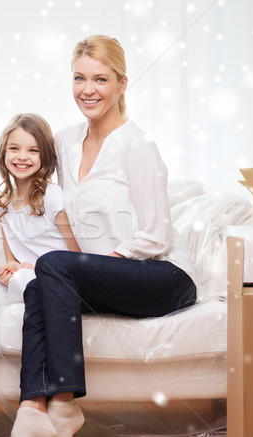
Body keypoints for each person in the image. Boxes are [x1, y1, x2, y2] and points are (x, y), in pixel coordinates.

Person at [11, 35, 199, 437]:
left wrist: (86, 269)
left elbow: (155, 235)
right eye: (79, 78)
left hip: (162, 275)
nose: (88, 90)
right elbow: (38, 194)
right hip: (100, 274)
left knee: (53, 269)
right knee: (36, 287)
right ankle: (31, 406)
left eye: (100, 79)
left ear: (122, 83)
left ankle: (63, 403)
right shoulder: (63, 142)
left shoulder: (138, 144)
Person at [0, 113, 79, 306]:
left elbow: (76, 254)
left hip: (57, 276)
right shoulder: (4, 207)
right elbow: (13, 262)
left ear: (45, 156)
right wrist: (9, 271)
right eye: (14, 148)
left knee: (22, 282)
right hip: (25, 277)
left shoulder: (52, 196)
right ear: (3, 153)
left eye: (33, 150)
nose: (22, 157)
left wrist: (37, 269)